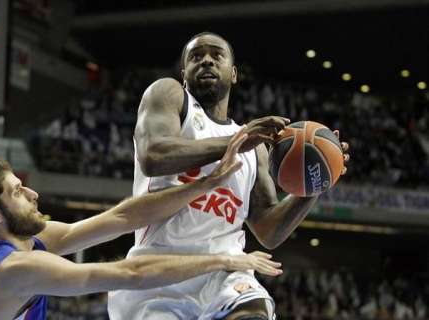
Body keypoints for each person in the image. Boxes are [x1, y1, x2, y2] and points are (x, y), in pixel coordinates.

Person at [108, 32, 350, 320]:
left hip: (225, 274)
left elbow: (268, 230)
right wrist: (236, 142)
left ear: (233, 73)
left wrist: (315, 182)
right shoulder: (169, 95)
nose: (207, 60)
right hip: (159, 270)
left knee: (254, 313)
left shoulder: (254, 148)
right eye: (196, 57)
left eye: (216, 55)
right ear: (184, 73)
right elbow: (153, 155)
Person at [0, 130, 283, 320]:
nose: (33, 193)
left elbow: (122, 218)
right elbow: (131, 274)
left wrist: (202, 186)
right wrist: (224, 259)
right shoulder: (15, 268)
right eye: (17, 192)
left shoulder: (23, 242)